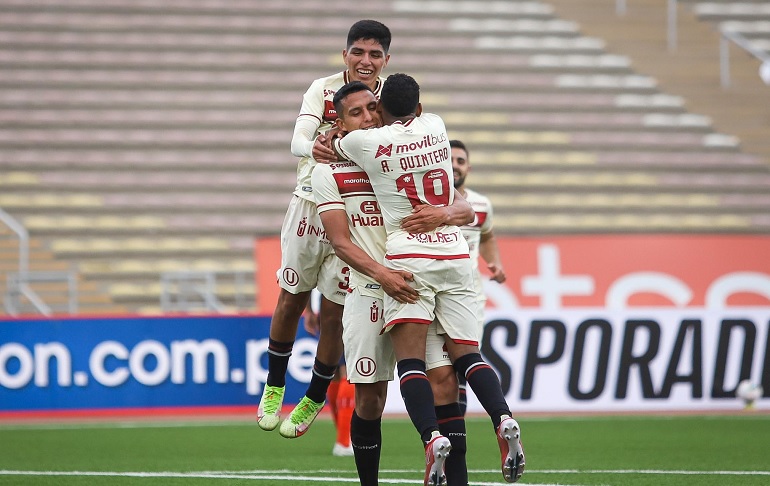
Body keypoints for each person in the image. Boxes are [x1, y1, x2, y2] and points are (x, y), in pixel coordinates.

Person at [330, 73, 525, 485]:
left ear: (380, 109)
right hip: (454, 251)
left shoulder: (362, 142)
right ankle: (503, 416)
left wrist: (334, 133)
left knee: (411, 362)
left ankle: (431, 437)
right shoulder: (435, 125)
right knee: (466, 357)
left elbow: (334, 144)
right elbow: (465, 209)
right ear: (418, 108)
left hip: (409, 254)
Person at [313, 81, 473, 485]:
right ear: (340, 123)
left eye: (373, 107)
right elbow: (340, 242)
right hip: (371, 289)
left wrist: (445, 215)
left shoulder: (400, 151)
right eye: (356, 113)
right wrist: (383, 274)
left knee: (445, 382)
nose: (368, 117)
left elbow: (465, 205)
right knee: (370, 398)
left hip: (417, 282)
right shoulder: (329, 172)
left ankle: (456, 480)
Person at [257, 20, 392, 439]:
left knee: (333, 315)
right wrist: (315, 147)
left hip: (358, 213)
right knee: (291, 299)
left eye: (375, 54)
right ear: (345, 55)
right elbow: (298, 139)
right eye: (358, 52)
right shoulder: (323, 88)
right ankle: (275, 384)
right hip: (311, 205)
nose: (365, 61)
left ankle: (315, 395)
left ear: (386, 60)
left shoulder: (388, 97)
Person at [449, 139, 507, 416]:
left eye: (460, 161)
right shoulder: (427, 200)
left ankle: (454, 428)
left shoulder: (481, 204)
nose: (455, 165)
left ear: (468, 167)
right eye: (449, 159)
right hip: (433, 288)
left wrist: (494, 262)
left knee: (463, 360)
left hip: (469, 294)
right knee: (438, 365)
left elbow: (487, 235)